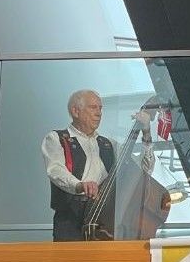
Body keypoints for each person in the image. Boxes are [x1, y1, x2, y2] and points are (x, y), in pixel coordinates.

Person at [42, 90, 155, 241]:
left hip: (104, 218)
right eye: (93, 107)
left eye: (100, 108)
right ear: (75, 111)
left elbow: (145, 169)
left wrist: (146, 132)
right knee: (69, 256)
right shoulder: (57, 138)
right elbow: (56, 170)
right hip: (70, 218)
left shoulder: (109, 144)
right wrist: (79, 185)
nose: (99, 113)